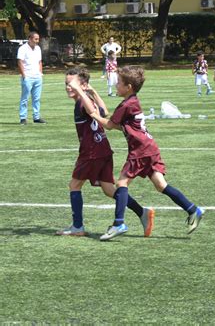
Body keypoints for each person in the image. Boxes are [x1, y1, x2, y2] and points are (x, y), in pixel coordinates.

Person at [90, 65, 205, 241]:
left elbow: (110, 125)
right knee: (161, 185)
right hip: (150, 147)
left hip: (140, 150)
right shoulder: (133, 101)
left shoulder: (126, 104)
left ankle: (118, 223)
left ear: (128, 87)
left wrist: (94, 115)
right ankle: (192, 209)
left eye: (119, 83)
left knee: (121, 183)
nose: (115, 85)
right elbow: (122, 124)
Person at [56, 67, 155, 237]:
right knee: (109, 189)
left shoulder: (82, 102)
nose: (68, 87)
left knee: (74, 185)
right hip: (103, 151)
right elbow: (105, 112)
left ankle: (77, 227)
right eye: (67, 84)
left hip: (91, 153)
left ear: (83, 84)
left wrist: (83, 92)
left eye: (72, 84)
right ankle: (142, 212)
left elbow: (94, 112)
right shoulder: (86, 100)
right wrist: (92, 92)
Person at [17, 31, 45, 125]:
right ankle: (23, 118)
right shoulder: (22, 48)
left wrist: (40, 73)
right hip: (28, 77)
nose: (37, 41)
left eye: (38, 39)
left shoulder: (38, 48)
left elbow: (39, 61)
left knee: (37, 98)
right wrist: (24, 75)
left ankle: (36, 117)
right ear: (30, 38)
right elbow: (20, 62)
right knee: (25, 98)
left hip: (37, 77)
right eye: (35, 39)